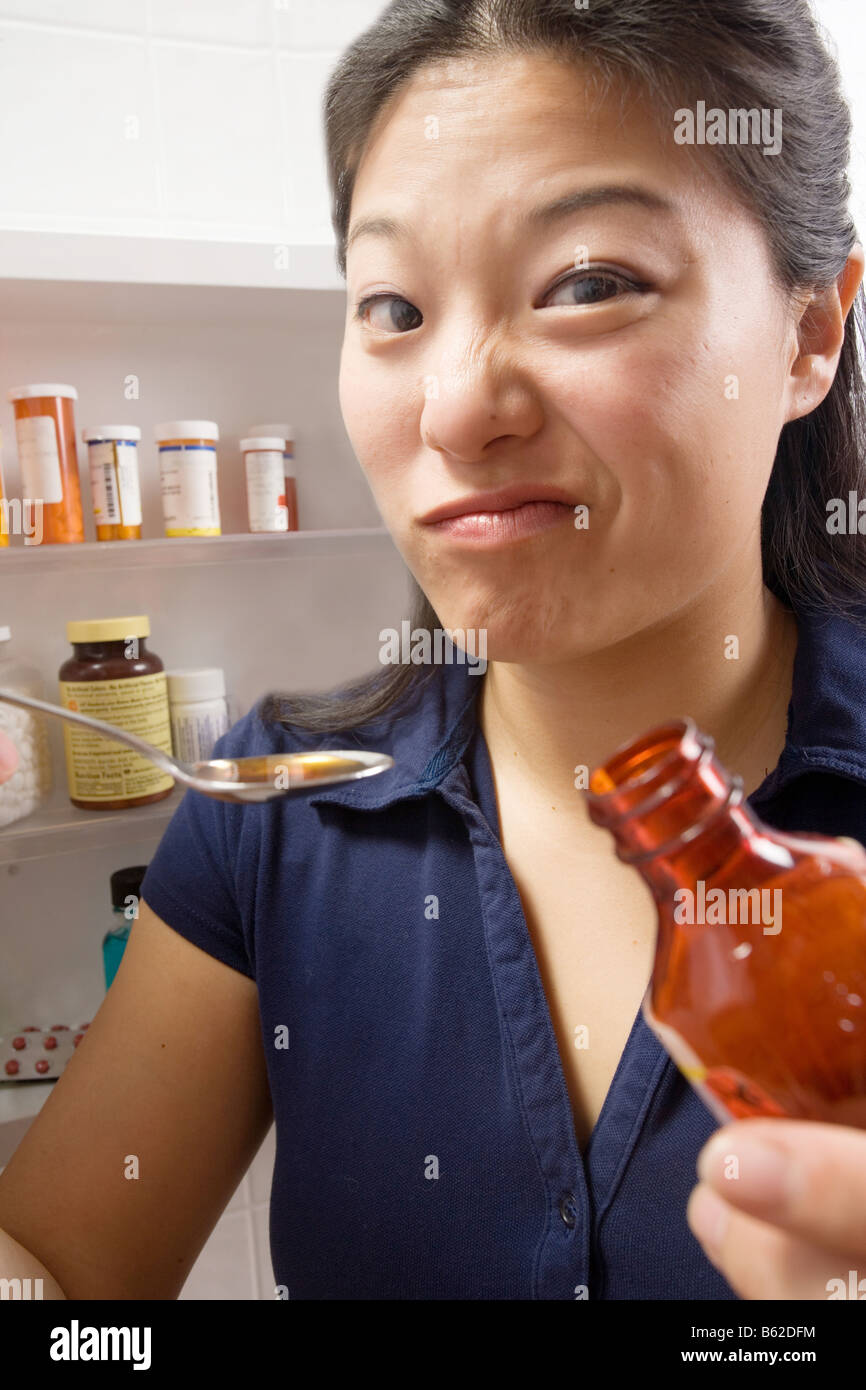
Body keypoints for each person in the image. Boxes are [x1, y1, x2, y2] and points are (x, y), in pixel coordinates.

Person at [2, 0, 866, 1301]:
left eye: (588, 284)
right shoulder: (278, 802)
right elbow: (72, 1293)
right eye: (393, 305)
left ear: (806, 333)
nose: (456, 408)